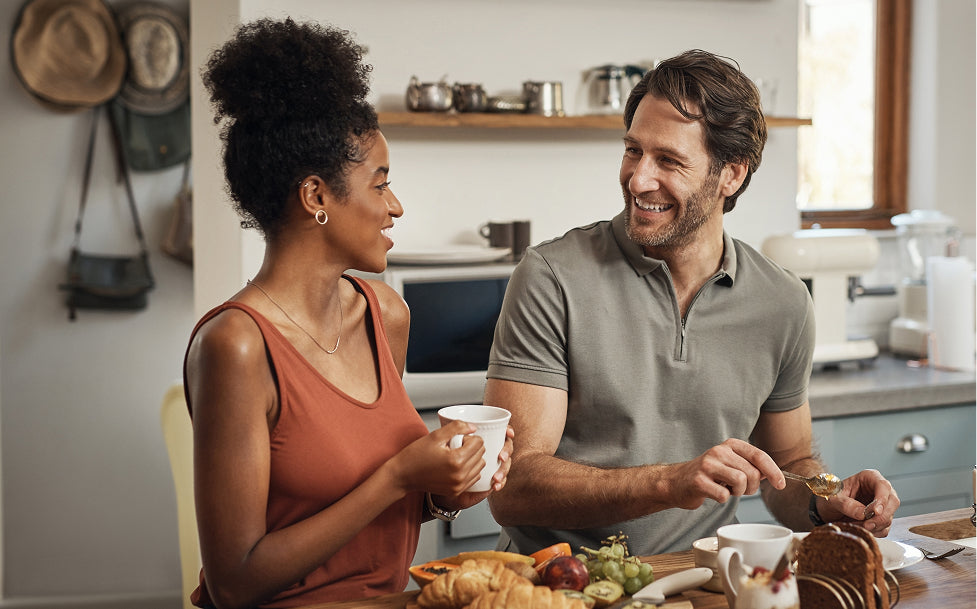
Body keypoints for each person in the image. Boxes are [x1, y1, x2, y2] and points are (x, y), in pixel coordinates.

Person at [484, 49, 899, 558]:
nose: (638, 179)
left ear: (731, 175)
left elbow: (788, 462)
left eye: (669, 161)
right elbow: (513, 485)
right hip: (558, 585)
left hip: (701, 580)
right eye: (633, 150)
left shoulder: (783, 301)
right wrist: (669, 482)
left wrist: (827, 497)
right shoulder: (552, 277)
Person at [184, 19, 513, 609]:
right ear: (316, 198)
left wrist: (447, 489)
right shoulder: (236, 345)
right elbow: (233, 583)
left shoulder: (386, 315)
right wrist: (398, 477)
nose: (395, 206)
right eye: (380, 184)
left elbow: (397, 504)